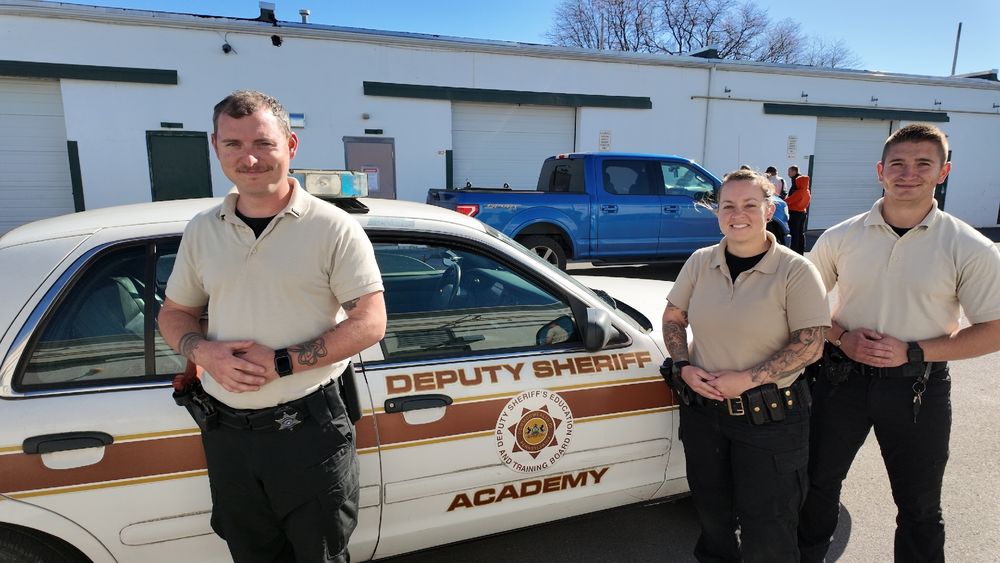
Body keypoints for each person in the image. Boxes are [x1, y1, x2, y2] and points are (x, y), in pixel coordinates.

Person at [158, 90, 387, 563]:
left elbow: (370, 323)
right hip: (227, 436)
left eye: (263, 143)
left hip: (310, 432)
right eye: (233, 145)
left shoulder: (334, 228)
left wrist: (282, 362)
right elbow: (174, 314)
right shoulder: (203, 230)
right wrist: (204, 354)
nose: (250, 158)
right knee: (250, 554)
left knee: (320, 556)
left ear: (291, 145)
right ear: (215, 147)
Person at [797, 123, 1000, 563]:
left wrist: (915, 351)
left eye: (923, 164)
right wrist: (843, 338)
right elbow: (801, 310)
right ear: (880, 171)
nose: (909, 174)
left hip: (918, 388)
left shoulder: (971, 247)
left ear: (943, 172)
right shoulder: (840, 237)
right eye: (898, 164)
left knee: (920, 506)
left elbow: (994, 329)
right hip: (839, 379)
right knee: (816, 484)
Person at [662, 169, 830, 562]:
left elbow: (812, 344)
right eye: (728, 206)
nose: (739, 214)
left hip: (771, 420)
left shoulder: (796, 270)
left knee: (769, 528)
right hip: (704, 415)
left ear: (770, 210)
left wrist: (749, 379)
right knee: (712, 518)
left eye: (750, 205)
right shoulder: (701, 262)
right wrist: (683, 365)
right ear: (717, 212)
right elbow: (673, 317)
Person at [784, 165, 810, 254]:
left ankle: (794, 251)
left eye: (798, 182)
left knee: (794, 234)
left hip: (795, 214)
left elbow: (788, 201)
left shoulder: (799, 192)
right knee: (800, 233)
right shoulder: (807, 191)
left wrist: (781, 201)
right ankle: (800, 250)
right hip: (803, 213)